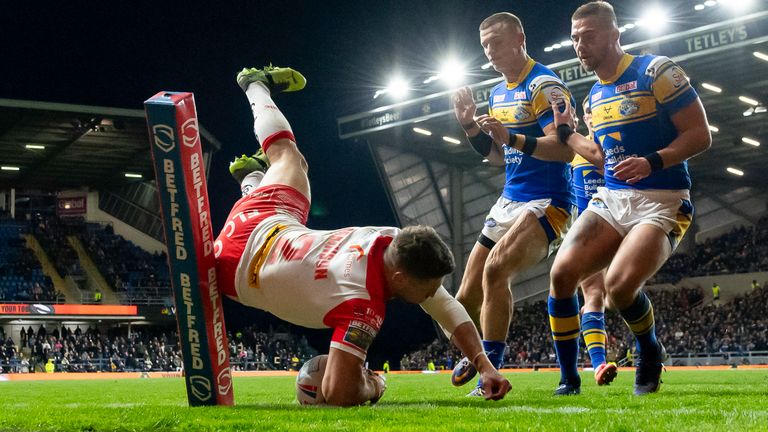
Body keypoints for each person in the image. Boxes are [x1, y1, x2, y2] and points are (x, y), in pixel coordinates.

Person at [214, 65, 511, 407]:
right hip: (232, 271)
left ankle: (254, 121)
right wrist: (374, 383)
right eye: (429, 288)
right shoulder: (363, 304)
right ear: (399, 277)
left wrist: (484, 366)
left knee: (289, 157)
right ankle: (251, 179)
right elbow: (339, 393)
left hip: (260, 221)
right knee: (293, 163)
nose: (434, 295)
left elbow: (446, 307)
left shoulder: (390, 238)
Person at [546, 1, 711, 395]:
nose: (579, 45)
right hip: (614, 199)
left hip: (663, 199)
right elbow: (604, 158)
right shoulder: (593, 98)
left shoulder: (657, 72)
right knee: (561, 275)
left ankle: (649, 351)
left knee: (619, 290)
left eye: (588, 35)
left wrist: (653, 161)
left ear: (615, 34)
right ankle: (569, 379)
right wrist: (568, 134)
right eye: (574, 38)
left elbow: (700, 135)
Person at [450, 11, 576, 397]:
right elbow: (498, 157)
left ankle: (490, 369)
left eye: (497, 42)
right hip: (510, 199)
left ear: (520, 37)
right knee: (463, 298)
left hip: (548, 201)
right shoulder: (498, 92)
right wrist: (470, 126)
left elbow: (564, 149)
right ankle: (480, 356)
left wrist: (514, 138)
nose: (490, 51)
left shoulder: (544, 85)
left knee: (496, 270)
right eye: (485, 45)